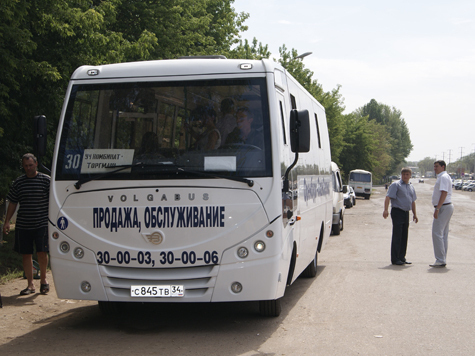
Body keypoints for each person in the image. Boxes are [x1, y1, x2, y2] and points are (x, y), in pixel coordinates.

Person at [3, 153, 51, 295]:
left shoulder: (45, 180)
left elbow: (53, 200)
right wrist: (7, 221)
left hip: (41, 223)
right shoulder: (18, 182)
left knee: (42, 252)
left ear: (36, 164)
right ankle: (30, 285)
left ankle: (43, 280)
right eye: (26, 166)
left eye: (31, 165)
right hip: (24, 224)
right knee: (26, 254)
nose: (28, 168)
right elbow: (12, 202)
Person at [383, 167, 418, 265]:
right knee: (397, 235)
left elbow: (413, 201)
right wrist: (385, 209)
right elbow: (388, 197)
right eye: (404, 174)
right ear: (401, 175)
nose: (405, 176)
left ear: (410, 176)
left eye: (407, 174)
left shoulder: (411, 186)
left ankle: (402, 257)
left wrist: (415, 214)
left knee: (404, 235)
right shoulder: (396, 185)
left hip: (406, 212)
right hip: (397, 211)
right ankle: (395, 258)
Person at [430, 160, 454, 268]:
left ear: (443, 167)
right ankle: (442, 258)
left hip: (444, 207)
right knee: (443, 234)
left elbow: (444, 192)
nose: (435, 168)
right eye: (434, 167)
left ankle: (440, 259)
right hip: (446, 206)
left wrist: (438, 208)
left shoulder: (443, 177)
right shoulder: (443, 176)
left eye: (437, 166)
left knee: (437, 233)